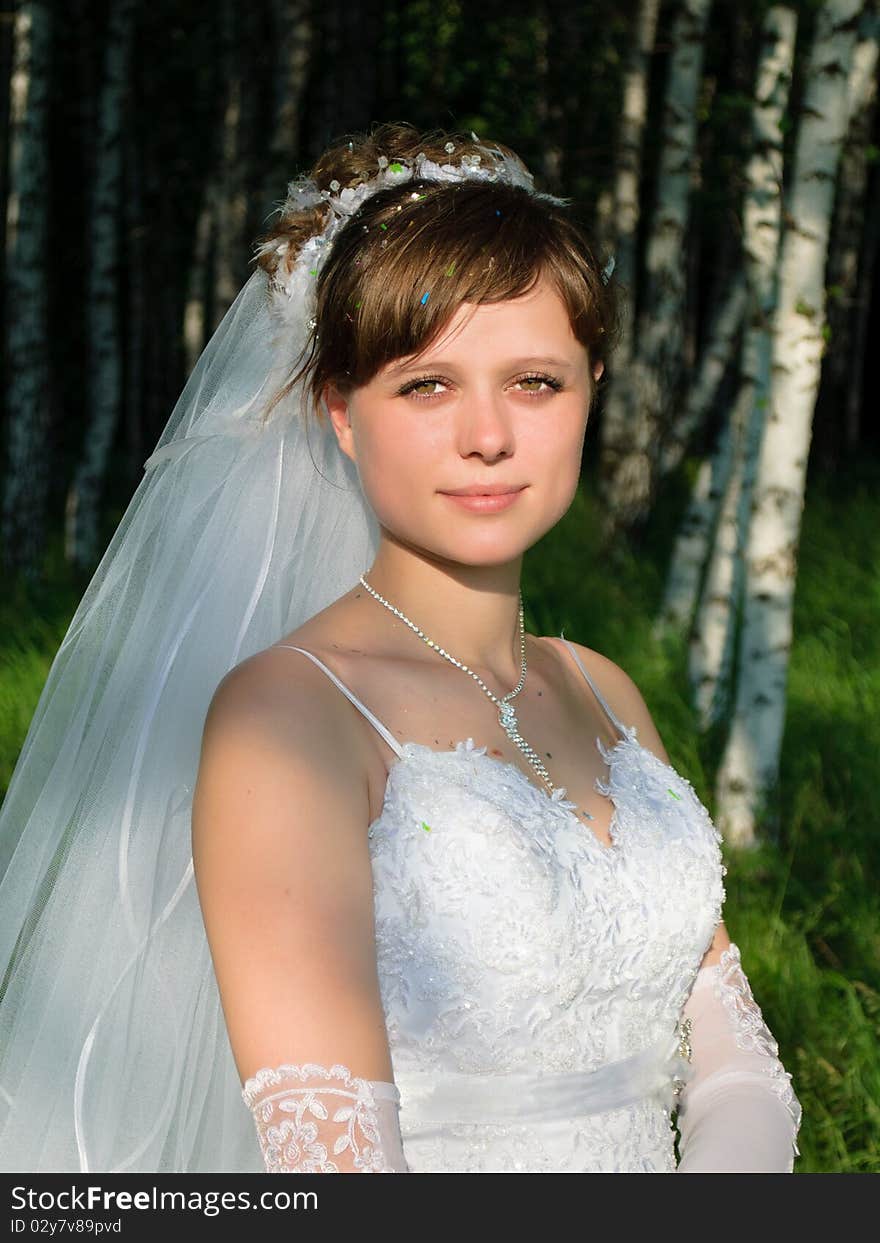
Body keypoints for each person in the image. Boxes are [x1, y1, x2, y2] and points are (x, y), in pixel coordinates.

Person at [0, 124, 801, 1175]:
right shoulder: (287, 716)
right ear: (339, 411)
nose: (486, 435)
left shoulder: (601, 687)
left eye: (534, 382)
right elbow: (336, 1166)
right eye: (426, 385)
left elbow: (737, 1063)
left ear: (591, 387)